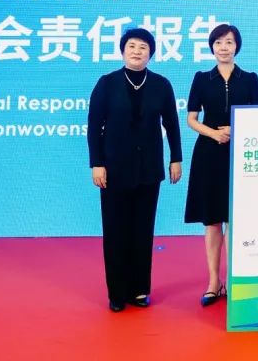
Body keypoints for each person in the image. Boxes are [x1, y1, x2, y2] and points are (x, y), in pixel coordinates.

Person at [87, 27, 182, 312]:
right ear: (122, 50)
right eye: (132, 46)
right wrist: (97, 163)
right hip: (113, 169)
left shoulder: (162, 85)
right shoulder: (107, 83)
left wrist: (176, 158)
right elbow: (94, 127)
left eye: (143, 47)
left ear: (151, 53)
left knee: (143, 230)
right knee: (115, 231)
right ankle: (117, 293)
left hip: (149, 169)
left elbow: (172, 124)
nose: (137, 51)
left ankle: (139, 290)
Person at [184, 24, 258, 307]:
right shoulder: (202, 79)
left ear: (236, 46)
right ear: (212, 47)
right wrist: (214, 133)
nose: (224, 47)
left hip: (239, 154)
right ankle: (213, 282)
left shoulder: (250, 79)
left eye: (229, 42)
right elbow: (191, 119)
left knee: (235, 219)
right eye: (218, 42)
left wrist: (236, 129)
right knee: (212, 221)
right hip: (208, 153)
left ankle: (232, 280)